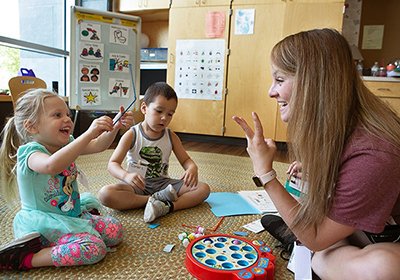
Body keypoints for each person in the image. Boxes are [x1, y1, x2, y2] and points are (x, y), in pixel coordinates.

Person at [233, 28, 400, 279]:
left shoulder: (374, 153)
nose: (271, 91)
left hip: (381, 238)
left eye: (280, 80)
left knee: (382, 268)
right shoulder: (343, 124)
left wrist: (264, 173)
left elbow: (317, 238)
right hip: (363, 230)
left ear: (314, 83)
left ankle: (308, 250)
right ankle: (303, 236)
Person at [0, 89, 134, 271]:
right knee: (94, 248)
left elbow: (98, 146)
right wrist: (88, 133)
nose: (67, 120)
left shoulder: (66, 142)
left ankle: (77, 229)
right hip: (44, 223)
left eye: (68, 115)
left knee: (115, 230)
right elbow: (51, 166)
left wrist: (115, 127)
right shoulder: (30, 153)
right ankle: (26, 257)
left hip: (71, 214)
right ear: (32, 126)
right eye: (57, 115)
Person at [98, 82, 210, 223]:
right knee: (105, 194)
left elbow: (186, 160)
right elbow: (112, 164)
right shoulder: (132, 134)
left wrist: (192, 167)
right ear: (144, 108)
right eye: (159, 111)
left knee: (203, 189)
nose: (164, 118)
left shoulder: (171, 136)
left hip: (163, 184)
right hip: (136, 186)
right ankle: (154, 201)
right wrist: (126, 176)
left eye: (170, 114)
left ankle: (168, 206)